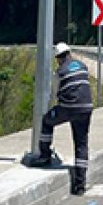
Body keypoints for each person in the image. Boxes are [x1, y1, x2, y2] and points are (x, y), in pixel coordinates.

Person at [26, 42, 93, 196]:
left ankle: (44, 156)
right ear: (69, 53)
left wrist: (50, 108)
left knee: (47, 121)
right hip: (86, 108)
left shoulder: (60, 72)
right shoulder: (82, 66)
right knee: (81, 143)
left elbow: (55, 93)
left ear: (58, 58)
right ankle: (80, 186)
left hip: (67, 108)